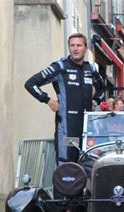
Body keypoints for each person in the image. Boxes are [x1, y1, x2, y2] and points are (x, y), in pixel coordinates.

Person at [24, 32, 105, 163]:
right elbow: (30, 83)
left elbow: (102, 87)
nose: (75, 48)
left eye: (79, 45)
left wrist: (96, 100)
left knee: (89, 165)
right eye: (72, 45)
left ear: (85, 48)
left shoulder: (90, 69)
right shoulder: (60, 67)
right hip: (68, 129)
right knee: (67, 165)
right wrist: (48, 100)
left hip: (87, 129)